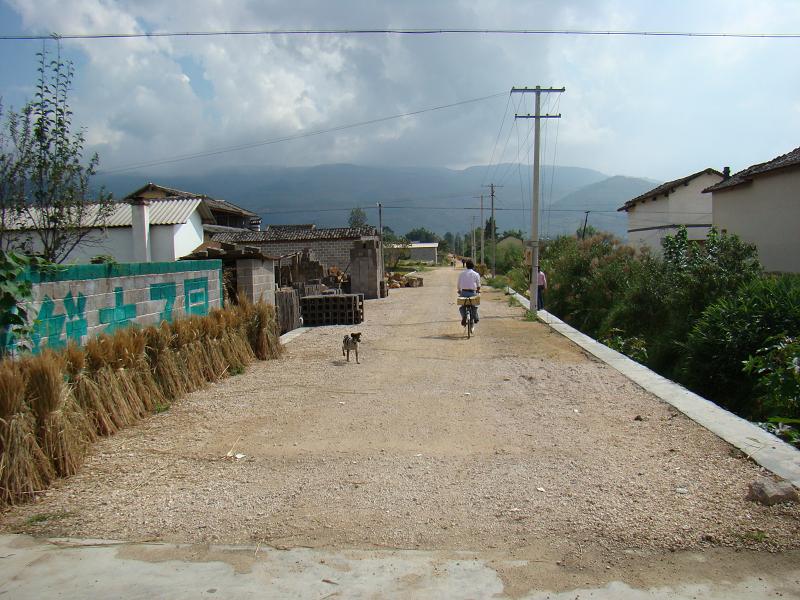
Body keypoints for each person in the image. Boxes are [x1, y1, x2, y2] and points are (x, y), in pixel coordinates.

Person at [457, 259, 481, 327]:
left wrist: (459, 290)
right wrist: (478, 290)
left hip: (463, 292)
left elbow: (458, 285)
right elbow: (478, 285)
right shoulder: (476, 274)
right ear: (473, 266)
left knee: (462, 307)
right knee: (474, 306)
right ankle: (475, 317)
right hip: (472, 293)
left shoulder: (461, 274)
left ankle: (464, 317)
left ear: (466, 266)